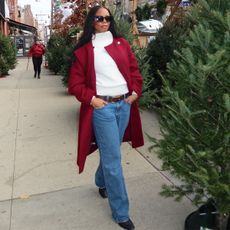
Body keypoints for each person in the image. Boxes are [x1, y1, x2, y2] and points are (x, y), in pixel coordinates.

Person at [68, 6, 144, 230]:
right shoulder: (84, 51)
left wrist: (135, 92)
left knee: (111, 153)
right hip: (103, 109)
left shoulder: (122, 43)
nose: (104, 21)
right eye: (99, 18)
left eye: (108, 18)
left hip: (125, 104)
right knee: (114, 161)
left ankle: (101, 181)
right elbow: (75, 84)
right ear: (92, 20)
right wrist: (91, 99)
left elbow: (134, 70)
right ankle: (121, 213)